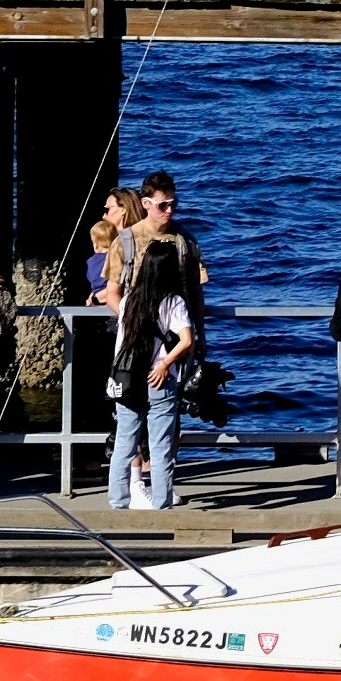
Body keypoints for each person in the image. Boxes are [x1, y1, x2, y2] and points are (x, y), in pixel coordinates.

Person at [109, 194, 201, 511]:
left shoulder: (129, 299)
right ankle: (161, 502)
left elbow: (122, 338)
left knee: (125, 439)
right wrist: (165, 362)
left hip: (128, 376)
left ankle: (118, 499)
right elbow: (186, 340)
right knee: (160, 445)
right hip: (158, 377)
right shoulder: (172, 302)